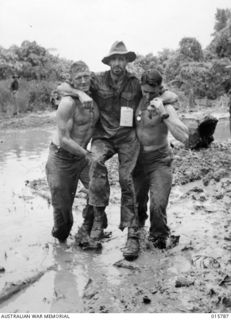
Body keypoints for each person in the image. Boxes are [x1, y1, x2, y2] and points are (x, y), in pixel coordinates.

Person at [58, 41, 142, 260]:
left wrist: (165, 100)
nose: (117, 63)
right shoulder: (97, 79)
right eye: (114, 58)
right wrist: (80, 93)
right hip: (103, 136)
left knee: (127, 178)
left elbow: (160, 93)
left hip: (127, 138)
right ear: (109, 61)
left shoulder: (136, 83)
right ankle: (96, 218)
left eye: (121, 59)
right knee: (95, 162)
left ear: (126, 61)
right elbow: (60, 88)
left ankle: (132, 233)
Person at [134, 69, 189, 249]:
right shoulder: (135, 100)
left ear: (159, 88)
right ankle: (137, 234)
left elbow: (184, 136)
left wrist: (163, 112)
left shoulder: (166, 105)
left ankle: (159, 239)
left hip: (160, 160)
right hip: (137, 161)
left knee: (158, 206)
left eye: (152, 91)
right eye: (145, 91)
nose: (148, 95)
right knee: (137, 205)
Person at [45, 61, 99, 243]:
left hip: (82, 157)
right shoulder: (68, 103)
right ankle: (60, 248)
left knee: (99, 190)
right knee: (63, 222)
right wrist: (87, 154)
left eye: (86, 76)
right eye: (79, 78)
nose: (84, 81)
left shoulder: (95, 96)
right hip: (62, 158)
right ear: (72, 81)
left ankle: (86, 231)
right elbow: (65, 140)